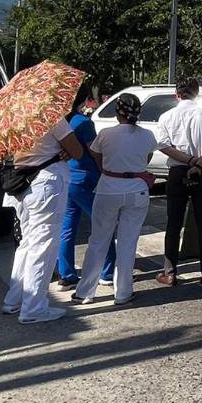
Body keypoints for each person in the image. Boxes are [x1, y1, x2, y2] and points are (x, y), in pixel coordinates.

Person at [73, 93, 156, 307]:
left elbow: (97, 157)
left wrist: (109, 170)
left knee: (98, 240)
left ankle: (85, 292)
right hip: (137, 189)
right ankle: (123, 292)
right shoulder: (147, 135)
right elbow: (146, 159)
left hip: (109, 187)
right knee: (128, 243)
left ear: (117, 112)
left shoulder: (105, 134)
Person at [1, 114, 83, 324]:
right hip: (45, 183)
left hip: (21, 183)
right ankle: (33, 308)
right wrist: (60, 151)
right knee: (43, 247)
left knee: (27, 243)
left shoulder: (10, 119)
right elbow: (77, 151)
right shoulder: (49, 115)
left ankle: (15, 299)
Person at [155, 78, 202, 287]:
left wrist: (188, 161)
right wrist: (198, 165)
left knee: (173, 223)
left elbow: (163, 146)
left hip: (177, 171)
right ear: (197, 93)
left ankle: (170, 271)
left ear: (177, 95)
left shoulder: (166, 116)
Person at [56, 89, 115, 290]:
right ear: (81, 100)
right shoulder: (83, 122)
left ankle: (66, 273)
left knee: (67, 227)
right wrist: (105, 171)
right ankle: (107, 272)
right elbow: (94, 151)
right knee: (103, 224)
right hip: (87, 178)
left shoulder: (61, 122)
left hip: (68, 177)